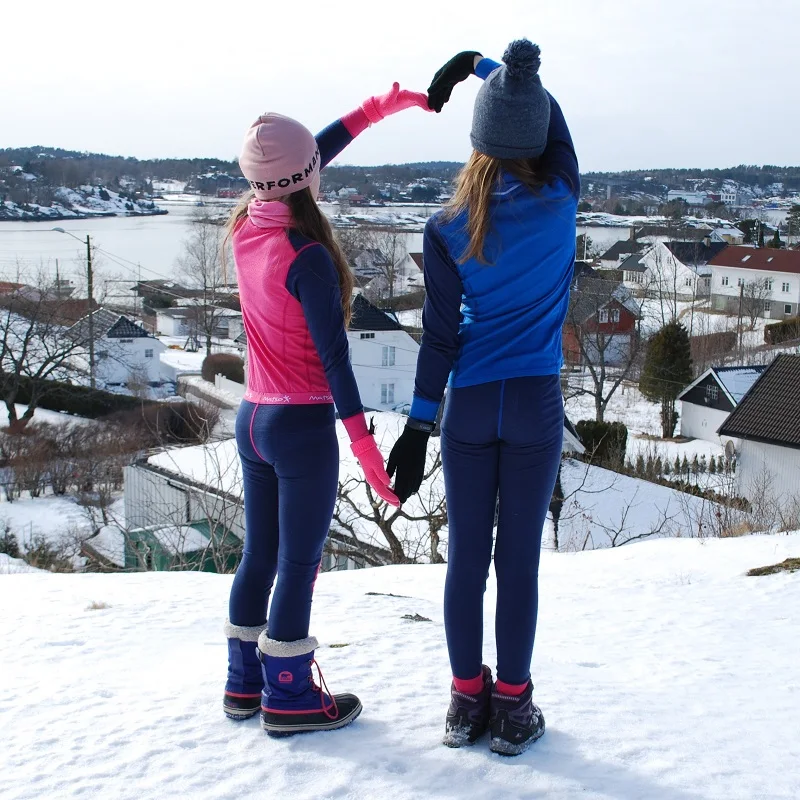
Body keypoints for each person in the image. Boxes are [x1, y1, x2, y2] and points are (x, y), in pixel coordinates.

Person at [388, 40, 579, 755]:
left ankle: (465, 703)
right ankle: (513, 707)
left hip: (467, 405)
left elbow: (439, 338)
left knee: (466, 559)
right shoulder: (561, 193)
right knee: (518, 562)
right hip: (532, 403)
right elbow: (549, 116)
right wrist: (487, 68)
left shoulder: (444, 228)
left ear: (478, 138)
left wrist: (417, 426)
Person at [223, 84, 430, 735]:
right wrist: (370, 456)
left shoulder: (246, 225)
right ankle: (288, 698)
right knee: (298, 564)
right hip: (301, 428)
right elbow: (338, 367)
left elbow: (303, 163)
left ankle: (242, 685)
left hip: (252, 419)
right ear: (305, 177)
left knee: (260, 554)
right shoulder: (308, 258)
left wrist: (376, 111)